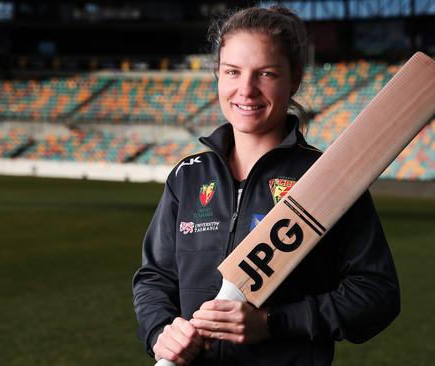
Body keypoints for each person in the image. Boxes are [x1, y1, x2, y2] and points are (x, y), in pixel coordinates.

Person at [132, 5, 400, 366]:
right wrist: (160, 330)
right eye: (232, 72)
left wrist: (274, 323)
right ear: (218, 76)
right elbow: (155, 277)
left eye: (266, 73)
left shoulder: (328, 177)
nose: (246, 89)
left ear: (294, 79)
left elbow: (376, 293)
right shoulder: (188, 175)